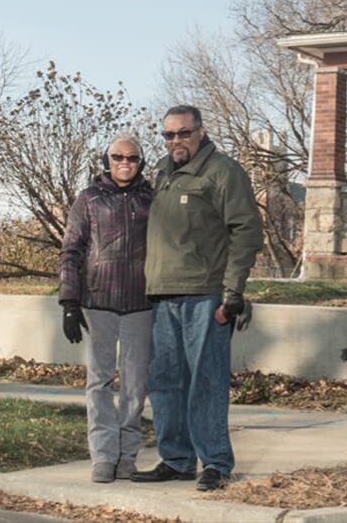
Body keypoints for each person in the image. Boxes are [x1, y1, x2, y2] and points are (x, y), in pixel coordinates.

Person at [131, 104, 263, 492]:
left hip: (205, 295)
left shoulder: (223, 172)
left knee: (206, 381)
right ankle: (176, 458)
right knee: (165, 381)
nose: (176, 141)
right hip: (162, 294)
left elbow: (246, 232)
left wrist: (234, 291)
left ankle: (216, 463)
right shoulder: (160, 173)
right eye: (169, 135)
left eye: (183, 133)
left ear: (200, 132)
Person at [58, 133, 153, 484]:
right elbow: (71, 250)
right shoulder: (89, 199)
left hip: (141, 304)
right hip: (98, 302)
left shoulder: (151, 199)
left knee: (134, 385)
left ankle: (127, 456)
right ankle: (102, 455)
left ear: (140, 162)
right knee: (98, 382)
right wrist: (69, 300)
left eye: (131, 158)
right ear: (106, 161)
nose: (124, 163)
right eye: (117, 157)